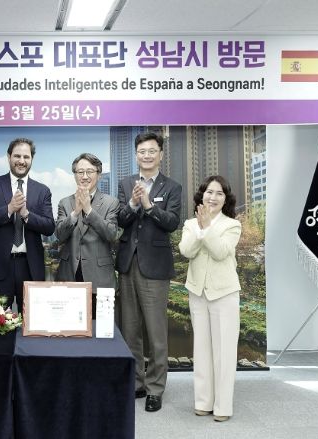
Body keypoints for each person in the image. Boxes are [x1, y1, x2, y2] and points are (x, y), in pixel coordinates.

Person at [116, 132, 182, 412]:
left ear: (160, 154)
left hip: (155, 266)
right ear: (136, 155)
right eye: (142, 151)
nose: (146, 155)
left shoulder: (172, 187)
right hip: (128, 265)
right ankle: (137, 383)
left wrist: (148, 206)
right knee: (130, 330)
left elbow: (172, 222)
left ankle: (156, 388)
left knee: (156, 333)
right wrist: (132, 204)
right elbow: (120, 220)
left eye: (152, 151)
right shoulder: (126, 183)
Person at [178, 175, 241, 422]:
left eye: (219, 193)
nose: (213, 197)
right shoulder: (189, 224)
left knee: (224, 352)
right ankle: (203, 402)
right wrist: (200, 227)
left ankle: (223, 406)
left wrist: (206, 229)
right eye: (209, 192)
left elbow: (220, 252)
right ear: (201, 195)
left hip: (224, 293)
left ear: (226, 199)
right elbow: (186, 250)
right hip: (197, 293)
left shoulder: (232, 225)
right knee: (201, 349)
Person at [0, 138, 55, 310]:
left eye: (26, 157)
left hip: (30, 266)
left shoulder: (42, 191)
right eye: (17, 156)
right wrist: (9, 209)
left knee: (31, 320)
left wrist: (26, 214)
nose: (21, 161)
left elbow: (49, 227)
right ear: (8, 157)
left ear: (32, 159)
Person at [55, 153, 120, 316]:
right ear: (75, 175)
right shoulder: (65, 202)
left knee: (102, 328)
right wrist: (76, 212)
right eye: (80, 172)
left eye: (89, 171)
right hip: (69, 275)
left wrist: (89, 210)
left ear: (98, 174)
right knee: (70, 326)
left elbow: (111, 234)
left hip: (100, 278)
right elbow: (59, 235)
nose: (84, 176)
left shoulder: (111, 202)